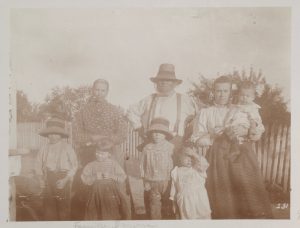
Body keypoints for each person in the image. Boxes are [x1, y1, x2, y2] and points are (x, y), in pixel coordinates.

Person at [191, 76, 273, 219]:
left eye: (225, 91)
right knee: (224, 196)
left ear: (231, 93)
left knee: (248, 191)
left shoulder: (242, 108)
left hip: (242, 154)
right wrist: (213, 135)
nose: (222, 94)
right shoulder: (206, 112)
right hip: (219, 156)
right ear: (213, 92)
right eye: (218, 91)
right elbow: (196, 138)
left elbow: (258, 130)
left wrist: (246, 131)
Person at [71, 78, 130, 220]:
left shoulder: (115, 110)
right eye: (97, 89)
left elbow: (122, 132)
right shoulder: (82, 112)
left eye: (103, 90)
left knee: (117, 184)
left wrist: (111, 141)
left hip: (112, 151)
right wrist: (93, 138)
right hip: (90, 152)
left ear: (107, 92)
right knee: (88, 184)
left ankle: (122, 217)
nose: (99, 93)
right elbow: (77, 135)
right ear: (92, 90)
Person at [127, 63, 197, 158]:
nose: (164, 83)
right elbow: (131, 111)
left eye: (168, 80)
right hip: (152, 144)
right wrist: (139, 128)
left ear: (174, 83)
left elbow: (197, 119)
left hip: (176, 146)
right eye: (161, 80)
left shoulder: (185, 100)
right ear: (156, 83)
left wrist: (189, 139)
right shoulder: (149, 99)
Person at [35, 116, 78, 220]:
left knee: (63, 206)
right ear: (47, 135)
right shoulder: (44, 148)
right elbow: (38, 165)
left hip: (63, 178)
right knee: (49, 206)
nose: (53, 136)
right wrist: (40, 179)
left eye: (56, 133)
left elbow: (74, 166)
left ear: (61, 135)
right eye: (50, 133)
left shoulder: (67, 147)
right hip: (48, 178)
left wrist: (65, 179)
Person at [81, 137, 129, 220]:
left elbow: (123, 177)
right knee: (94, 214)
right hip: (95, 194)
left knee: (110, 213)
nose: (99, 155)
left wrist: (111, 176)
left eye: (102, 154)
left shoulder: (113, 164)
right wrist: (95, 177)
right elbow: (84, 178)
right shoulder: (91, 165)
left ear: (109, 154)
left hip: (110, 194)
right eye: (97, 153)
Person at [140, 118, 174, 219]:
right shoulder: (147, 148)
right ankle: (156, 221)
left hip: (167, 180)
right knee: (154, 203)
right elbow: (142, 165)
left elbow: (175, 163)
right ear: (150, 134)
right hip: (152, 180)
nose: (157, 135)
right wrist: (145, 181)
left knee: (168, 202)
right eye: (154, 132)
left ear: (166, 135)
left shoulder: (170, 147)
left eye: (160, 133)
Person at [169, 147, 211, 219]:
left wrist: (194, 154)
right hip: (185, 202)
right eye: (186, 158)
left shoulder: (197, 169)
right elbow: (174, 189)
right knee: (188, 219)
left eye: (192, 158)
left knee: (203, 218)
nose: (190, 160)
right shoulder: (176, 171)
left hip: (199, 200)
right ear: (180, 158)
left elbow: (205, 164)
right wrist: (174, 204)